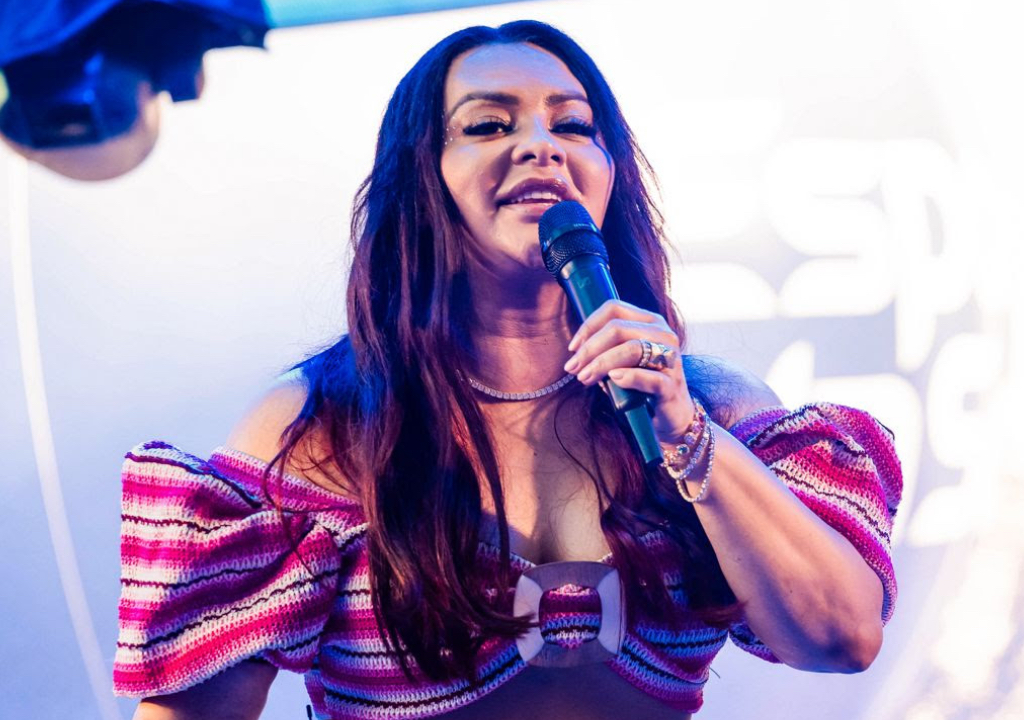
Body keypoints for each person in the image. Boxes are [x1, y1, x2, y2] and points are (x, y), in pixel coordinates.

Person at [113, 20, 902, 720]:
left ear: (609, 171)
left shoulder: (711, 406)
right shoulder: (320, 427)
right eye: (489, 124)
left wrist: (687, 436)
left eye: (574, 125)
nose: (541, 145)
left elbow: (842, 638)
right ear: (422, 175)